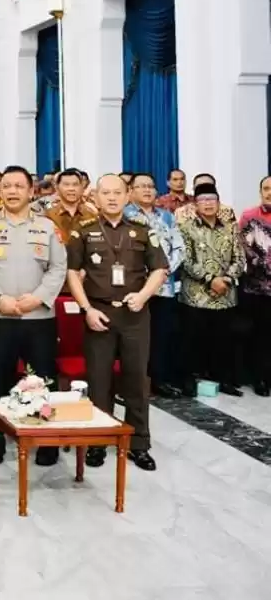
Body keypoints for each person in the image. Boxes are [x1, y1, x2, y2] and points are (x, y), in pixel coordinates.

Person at [66, 174, 168, 472]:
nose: (111, 198)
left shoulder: (143, 231)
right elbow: (72, 272)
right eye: (105, 193)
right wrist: (86, 309)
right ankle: (98, 440)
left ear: (128, 196)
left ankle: (139, 443)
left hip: (135, 315)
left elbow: (160, 269)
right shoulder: (82, 232)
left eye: (117, 193)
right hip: (98, 313)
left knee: (136, 380)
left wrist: (144, 295)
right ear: (95, 197)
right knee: (99, 381)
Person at [0, 166, 67, 466]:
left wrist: (38, 298)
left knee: (41, 380)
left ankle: (44, 439)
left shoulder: (48, 228)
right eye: (7, 186)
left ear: (31, 191)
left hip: (39, 319)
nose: (12, 191)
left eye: (18, 186)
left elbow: (58, 268)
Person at [177, 182, 246, 397]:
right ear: (195, 204)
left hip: (225, 295)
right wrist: (210, 279)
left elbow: (240, 258)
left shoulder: (230, 227)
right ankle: (187, 380)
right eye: (203, 200)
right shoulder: (186, 227)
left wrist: (225, 279)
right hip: (195, 296)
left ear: (218, 203)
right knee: (191, 341)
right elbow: (185, 260)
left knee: (223, 341)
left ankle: (223, 379)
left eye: (212, 200)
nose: (208, 204)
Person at [123, 173, 187, 398]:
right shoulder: (124, 216)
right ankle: (134, 384)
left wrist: (164, 270)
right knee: (135, 338)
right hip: (135, 287)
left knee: (161, 336)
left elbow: (179, 247)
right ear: (130, 191)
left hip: (165, 286)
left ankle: (158, 380)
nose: (147, 191)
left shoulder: (167, 216)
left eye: (151, 186)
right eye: (141, 187)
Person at [239, 176, 271, 396]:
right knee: (261, 335)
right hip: (258, 288)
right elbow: (243, 249)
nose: (269, 192)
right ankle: (261, 378)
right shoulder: (250, 216)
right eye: (266, 188)